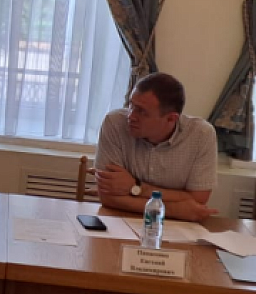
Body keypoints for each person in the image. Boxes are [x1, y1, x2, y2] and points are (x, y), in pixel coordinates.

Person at [94, 73, 219, 222]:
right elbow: (108, 197)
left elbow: (197, 200)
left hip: (179, 227)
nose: (131, 116)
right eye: (131, 105)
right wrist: (173, 209)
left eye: (141, 111)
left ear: (171, 119)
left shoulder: (201, 135)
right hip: (121, 220)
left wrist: (136, 187)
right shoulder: (115, 123)